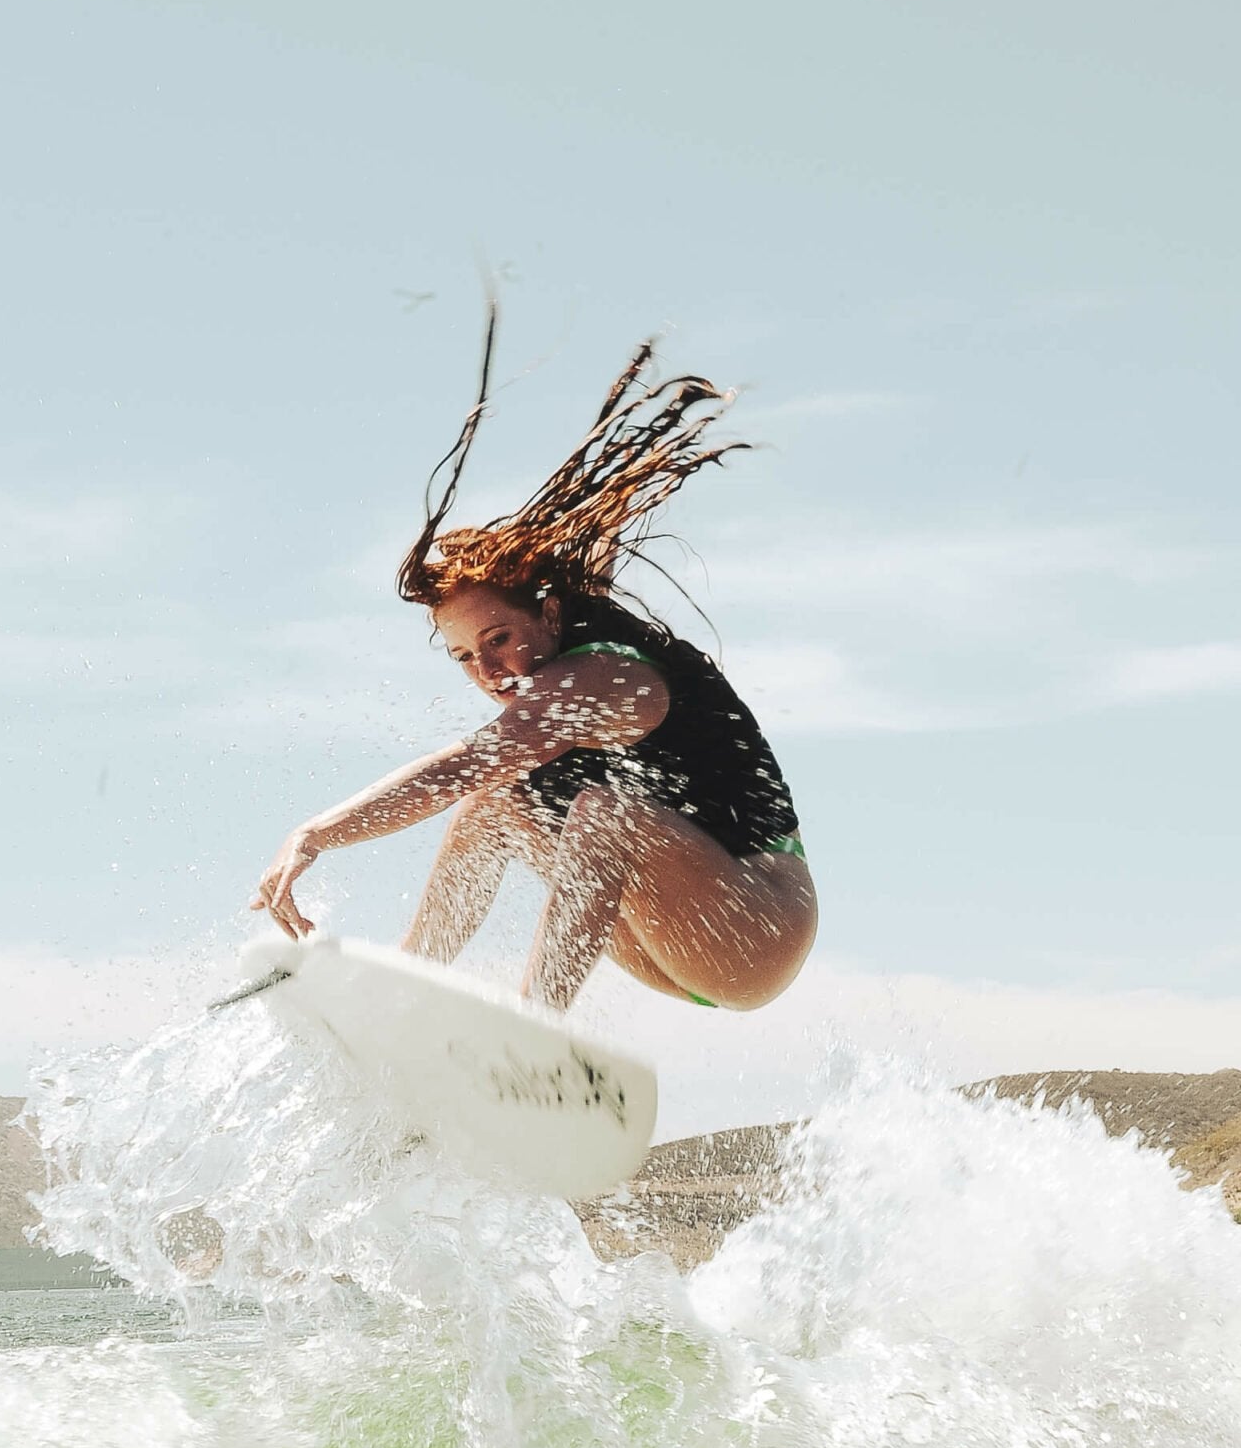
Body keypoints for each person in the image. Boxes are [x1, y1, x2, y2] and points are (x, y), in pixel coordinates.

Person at [251, 325, 817, 1012]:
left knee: (592, 811)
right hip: (663, 931)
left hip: (754, 928)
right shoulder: (559, 653)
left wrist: (313, 833)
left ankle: (535, 1027)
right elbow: (480, 776)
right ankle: (405, 992)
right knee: (493, 803)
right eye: (464, 656)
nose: (488, 668)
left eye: (498, 638)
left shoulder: (606, 677)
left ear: (549, 617)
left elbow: (461, 762)